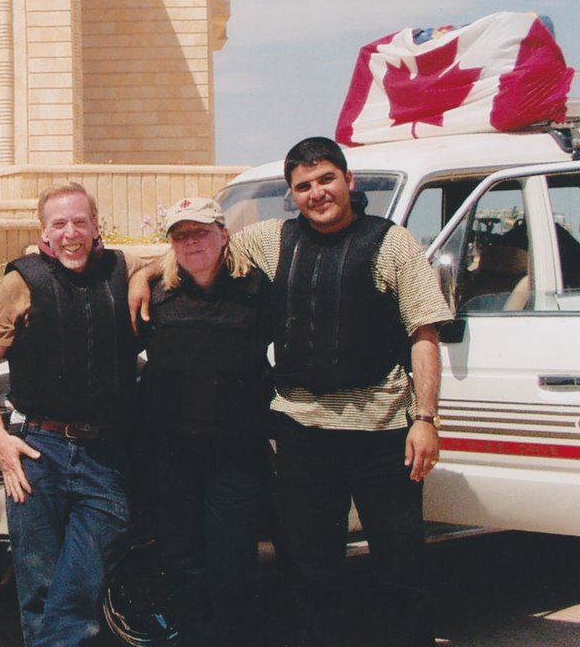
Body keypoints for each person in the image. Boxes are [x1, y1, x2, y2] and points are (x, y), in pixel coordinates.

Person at [134, 137, 450, 647]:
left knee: (399, 564)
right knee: (311, 569)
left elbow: (424, 333)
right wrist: (145, 273)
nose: (316, 193)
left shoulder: (392, 243)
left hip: (383, 430)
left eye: (325, 179)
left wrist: (425, 420)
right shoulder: (273, 240)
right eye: (303, 186)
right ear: (292, 194)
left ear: (348, 181)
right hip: (303, 431)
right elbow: (202, 247)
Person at [0, 182, 149, 647]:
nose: (71, 233)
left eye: (80, 222)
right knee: (41, 588)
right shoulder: (22, 282)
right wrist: (3, 443)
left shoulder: (121, 269)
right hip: (38, 452)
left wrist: (145, 276)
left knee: (81, 586)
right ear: (44, 234)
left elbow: (174, 259)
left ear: (96, 227)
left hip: (105, 454)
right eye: (59, 224)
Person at [143, 197, 271, 647]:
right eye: (181, 235)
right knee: (182, 562)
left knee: (231, 566)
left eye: (201, 232)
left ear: (223, 234)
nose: (192, 242)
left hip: (235, 455)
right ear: (171, 244)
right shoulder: (156, 294)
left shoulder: (257, 290)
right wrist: (143, 273)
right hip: (174, 454)